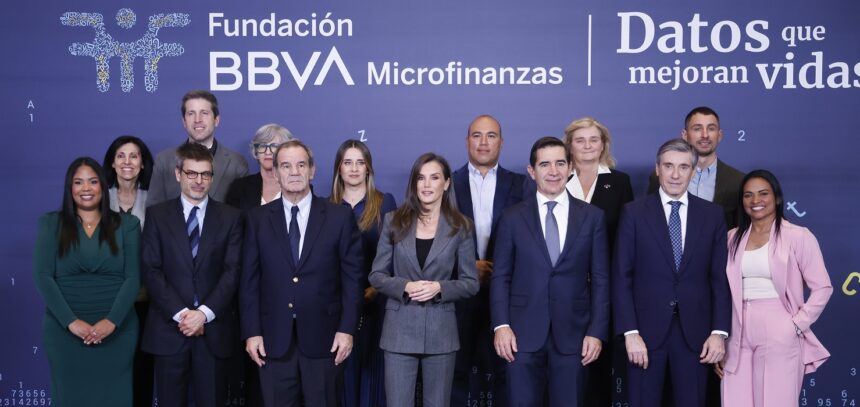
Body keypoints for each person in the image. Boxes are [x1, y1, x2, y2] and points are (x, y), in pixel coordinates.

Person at [241, 140, 363, 407]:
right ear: (276, 172)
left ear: (312, 170)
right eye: (286, 165)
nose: (294, 172)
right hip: (273, 342)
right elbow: (249, 282)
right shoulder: (257, 219)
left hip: (326, 341)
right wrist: (252, 332)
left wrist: (347, 330)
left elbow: (352, 281)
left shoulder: (338, 217)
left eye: (300, 165)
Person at [490, 137, 609, 406]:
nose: (553, 171)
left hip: (575, 337)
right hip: (520, 337)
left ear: (570, 168)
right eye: (545, 164)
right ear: (531, 171)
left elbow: (601, 279)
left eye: (559, 163)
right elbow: (501, 277)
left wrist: (596, 331)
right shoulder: (511, 218)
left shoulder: (593, 217)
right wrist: (501, 325)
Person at [613, 138, 731, 407]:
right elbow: (622, 276)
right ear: (657, 169)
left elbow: (719, 279)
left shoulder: (712, 215)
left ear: (693, 171)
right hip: (644, 333)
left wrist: (719, 332)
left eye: (683, 167)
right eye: (668, 166)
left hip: (696, 336)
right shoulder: (633, 213)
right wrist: (630, 332)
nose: (675, 175)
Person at [369, 152, 480, 407]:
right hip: (399, 330)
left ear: (447, 183)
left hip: (441, 332)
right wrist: (405, 285)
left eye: (434, 178)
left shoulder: (461, 226)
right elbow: (376, 275)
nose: (427, 185)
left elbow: (471, 282)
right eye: (421, 178)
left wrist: (439, 288)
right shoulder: (393, 220)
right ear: (414, 183)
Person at [715, 170, 832, 407]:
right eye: (748, 195)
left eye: (763, 194)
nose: (755, 201)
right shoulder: (731, 238)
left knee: (776, 401)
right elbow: (721, 288)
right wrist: (720, 337)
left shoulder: (798, 236)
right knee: (735, 400)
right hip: (737, 328)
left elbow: (823, 287)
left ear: (777, 198)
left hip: (779, 325)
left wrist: (796, 324)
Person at [140, 143, 243, 407]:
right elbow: (151, 270)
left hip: (213, 333)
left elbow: (232, 272)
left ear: (212, 176)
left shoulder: (231, 217)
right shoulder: (157, 215)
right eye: (192, 174)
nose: (199, 181)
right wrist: (182, 314)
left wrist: (203, 314)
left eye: (205, 174)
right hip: (169, 330)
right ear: (178, 174)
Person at [33, 157, 141, 406]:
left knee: (114, 397)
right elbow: (43, 277)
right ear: (69, 188)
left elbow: (133, 278)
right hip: (64, 332)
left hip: (118, 330)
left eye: (93, 182)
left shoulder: (128, 224)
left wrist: (111, 321)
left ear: (102, 186)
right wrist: (71, 322)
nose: (86, 188)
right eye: (78, 182)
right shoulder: (50, 224)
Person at [450, 114, 526, 406]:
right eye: (477, 135)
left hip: (506, 297)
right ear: (467, 140)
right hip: (458, 296)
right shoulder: (447, 184)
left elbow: (529, 242)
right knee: (456, 374)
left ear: (501, 142)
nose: (483, 142)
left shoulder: (521, 185)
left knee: (506, 372)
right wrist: (469, 268)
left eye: (491, 135)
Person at [562, 117, 634, 406]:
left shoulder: (619, 181)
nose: (588, 145)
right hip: (564, 291)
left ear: (603, 144)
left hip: (604, 292)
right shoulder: (557, 179)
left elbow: (626, 238)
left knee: (599, 370)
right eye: (580, 140)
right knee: (564, 368)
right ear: (570, 146)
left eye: (594, 139)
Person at [329, 140, 397, 407]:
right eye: (348, 162)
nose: (354, 168)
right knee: (343, 378)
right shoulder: (327, 207)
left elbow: (395, 252)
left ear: (368, 168)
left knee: (373, 378)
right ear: (339, 169)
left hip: (376, 304)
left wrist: (377, 288)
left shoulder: (384, 202)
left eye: (360, 162)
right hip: (339, 308)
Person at [102, 135, 155, 407]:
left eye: (134, 156)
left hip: (146, 301)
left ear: (143, 164)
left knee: (142, 370)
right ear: (112, 162)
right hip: (107, 300)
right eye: (121, 156)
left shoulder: (155, 200)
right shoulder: (98, 199)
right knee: (110, 369)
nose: (127, 162)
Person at [647, 106, 744, 229]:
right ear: (685, 135)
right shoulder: (659, 178)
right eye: (697, 129)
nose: (705, 135)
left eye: (711, 129)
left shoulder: (737, 181)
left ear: (719, 135)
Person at [148, 90, 248, 206]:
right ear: (184, 122)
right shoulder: (164, 160)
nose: (197, 120)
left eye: (204, 113)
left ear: (216, 120)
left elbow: (242, 215)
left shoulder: (237, 163)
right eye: (191, 113)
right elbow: (153, 210)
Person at [225, 123, 295, 211]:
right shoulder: (239, 187)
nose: (267, 152)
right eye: (262, 146)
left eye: (274, 146)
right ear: (256, 152)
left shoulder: (296, 186)